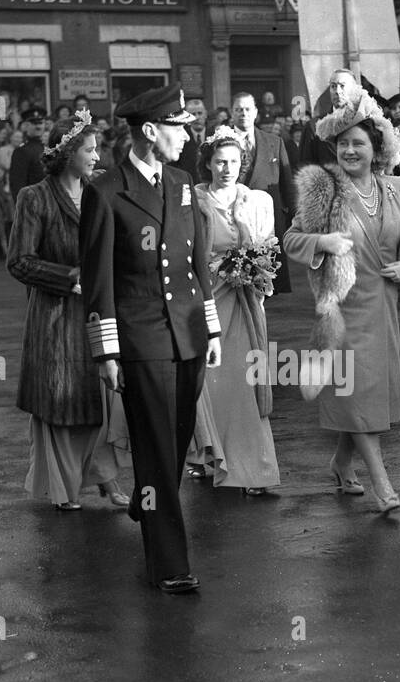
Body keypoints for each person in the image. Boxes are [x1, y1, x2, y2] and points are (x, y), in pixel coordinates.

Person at [80, 85, 222, 595]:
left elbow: (197, 260)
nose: (186, 137)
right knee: (160, 451)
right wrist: (107, 350)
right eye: (176, 127)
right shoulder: (106, 191)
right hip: (141, 338)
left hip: (187, 331)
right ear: (148, 131)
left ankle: (147, 496)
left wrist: (210, 326)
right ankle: (169, 563)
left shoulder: (183, 183)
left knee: (175, 443)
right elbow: (98, 280)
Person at [283, 84, 400, 512]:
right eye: (342, 144)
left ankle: (340, 462)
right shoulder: (325, 191)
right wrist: (323, 241)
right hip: (345, 309)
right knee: (356, 395)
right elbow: (291, 240)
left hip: (389, 308)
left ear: (377, 148)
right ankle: (382, 483)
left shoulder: (397, 189)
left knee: (371, 397)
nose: (349, 151)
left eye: (358, 143)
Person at [7, 112, 130, 512]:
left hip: (97, 312)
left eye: (98, 150)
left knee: (103, 395)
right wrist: (69, 276)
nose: (97, 157)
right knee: (61, 400)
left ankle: (106, 477)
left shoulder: (101, 192)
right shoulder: (34, 197)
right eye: (90, 150)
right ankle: (65, 486)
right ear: (67, 154)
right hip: (55, 317)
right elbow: (19, 262)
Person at [188, 128, 281, 494]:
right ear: (207, 163)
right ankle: (207, 454)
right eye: (220, 161)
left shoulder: (258, 201)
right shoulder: (194, 201)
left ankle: (252, 470)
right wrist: (218, 269)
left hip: (245, 302)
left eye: (235, 161)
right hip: (207, 301)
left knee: (243, 384)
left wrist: (253, 270)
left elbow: (269, 249)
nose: (228, 168)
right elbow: (185, 253)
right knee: (208, 383)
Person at [230, 91, 295, 294]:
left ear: (256, 112)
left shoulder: (273, 142)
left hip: (268, 217)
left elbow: (287, 182)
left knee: (268, 276)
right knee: (237, 276)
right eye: (238, 109)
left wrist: (292, 213)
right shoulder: (222, 142)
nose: (243, 114)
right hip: (235, 214)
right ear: (232, 113)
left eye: (248, 109)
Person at [9, 107, 47, 199]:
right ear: (26, 126)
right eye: (34, 123)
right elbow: (18, 185)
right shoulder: (21, 152)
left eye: (40, 123)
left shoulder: (49, 148)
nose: (38, 127)